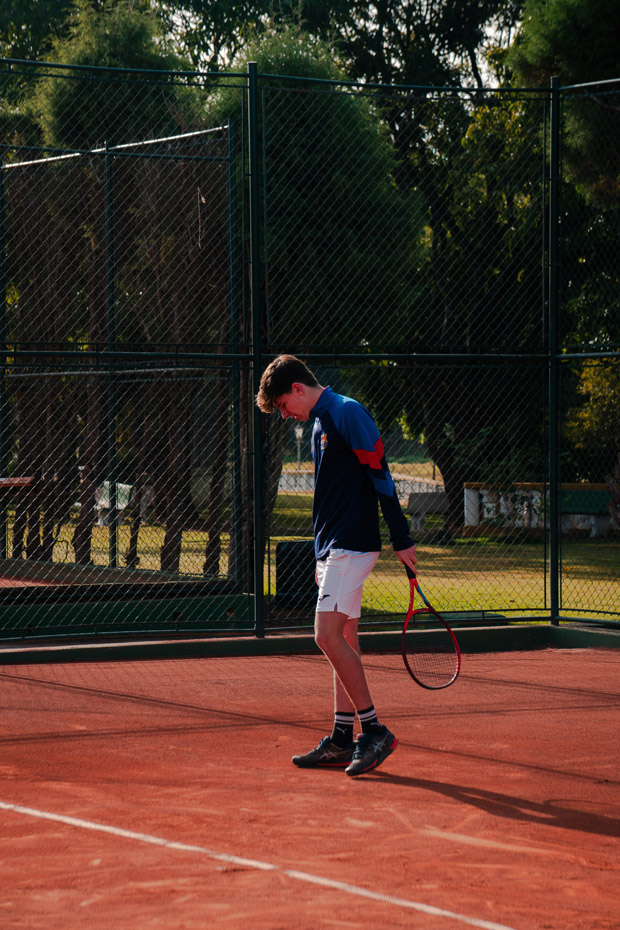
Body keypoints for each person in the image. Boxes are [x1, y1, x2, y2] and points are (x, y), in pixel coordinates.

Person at [256, 355, 417, 777]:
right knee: (344, 636)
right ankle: (343, 738)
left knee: (325, 635)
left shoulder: (348, 413)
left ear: (297, 389)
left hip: (353, 543)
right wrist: (319, 553)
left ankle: (374, 731)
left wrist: (401, 536)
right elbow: (325, 498)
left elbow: (380, 474)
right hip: (333, 548)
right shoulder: (318, 425)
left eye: (283, 405)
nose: (285, 414)